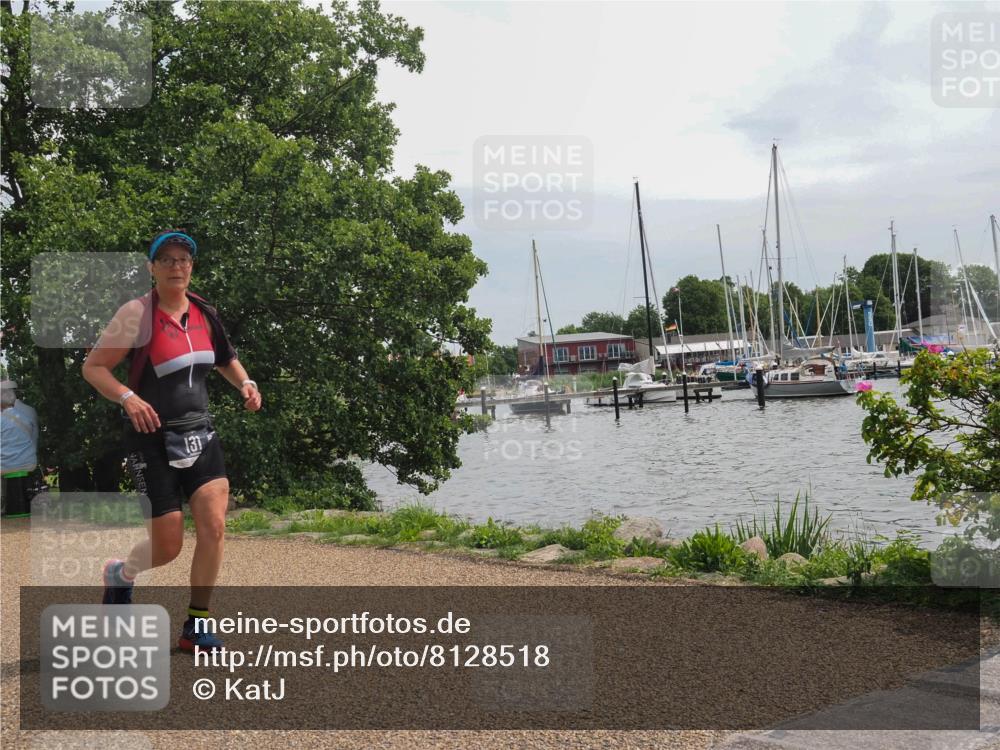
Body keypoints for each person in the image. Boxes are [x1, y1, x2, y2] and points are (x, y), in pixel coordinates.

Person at [82, 230, 262, 651]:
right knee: (167, 546)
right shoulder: (136, 314)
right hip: (151, 440)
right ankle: (121, 573)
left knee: (214, 526)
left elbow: (225, 358)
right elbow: (94, 368)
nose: (176, 266)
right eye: (167, 260)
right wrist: (128, 398)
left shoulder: (204, 313)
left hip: (201, 432)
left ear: (192, 266)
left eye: (183, 259)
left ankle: (195, 627)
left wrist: (245, 383)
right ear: (152, 268)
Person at [1, 380, 39, 516]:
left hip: (9, 465)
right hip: (30, 461)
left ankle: (3, 506)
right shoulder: (27, 414)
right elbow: (34, 439)